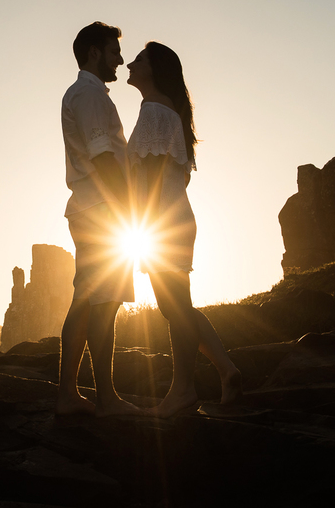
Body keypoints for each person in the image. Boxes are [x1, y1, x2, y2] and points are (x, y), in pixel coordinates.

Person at [124, 41, 243, 417]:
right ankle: (226, 369)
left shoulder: (155, 112)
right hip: (171, 219)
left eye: (139, 59)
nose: (130, 62)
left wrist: (141, 226)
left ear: (155, 69)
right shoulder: (166, 112)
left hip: (160, 222)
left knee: (174, 305)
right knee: (175, 305)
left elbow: (155, 174)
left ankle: (183, 391)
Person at [56, 22, 142, 417]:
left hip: (93, 209)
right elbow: (103, 156)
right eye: (113, 52)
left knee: (92, 301)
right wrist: (127, 210)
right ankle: (100, 397)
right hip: (102, 211)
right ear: (93, 52)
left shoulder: (85, 94)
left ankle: (76, 394)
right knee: (98, 304)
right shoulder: (89, 95)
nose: (120, 60)